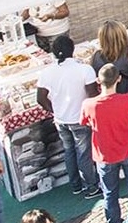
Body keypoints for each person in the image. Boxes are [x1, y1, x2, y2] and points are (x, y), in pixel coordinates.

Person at [84, 65, 128, 223]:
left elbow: (85, 122)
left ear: (98, 81)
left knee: (110, 193)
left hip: (105, 155)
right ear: (119, 79)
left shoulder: (89, 104)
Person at [35, 38, 99, 201]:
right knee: (83, 153)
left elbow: (41, 98)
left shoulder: (47, 73)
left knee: (69, 151)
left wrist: (55, 110)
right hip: (80, 119)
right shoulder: (85, 70)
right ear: (73, 50)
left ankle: (76, 185)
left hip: (61, 120)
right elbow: (92, 94)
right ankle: (91, 187)